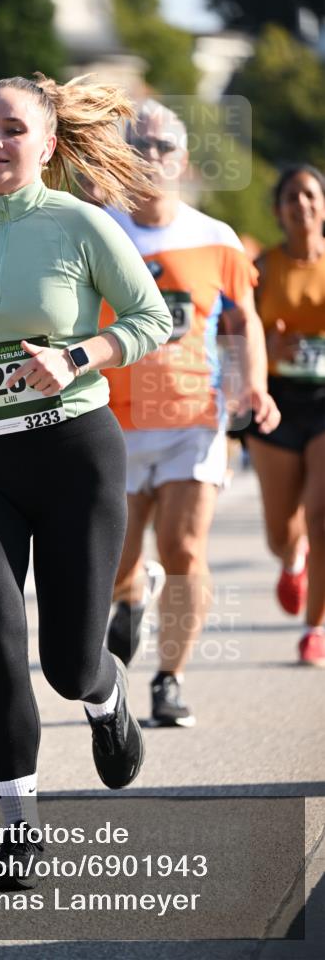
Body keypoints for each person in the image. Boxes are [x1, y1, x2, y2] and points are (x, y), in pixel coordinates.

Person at [0, 73, 173, 886]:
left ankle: (104, 690)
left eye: (11, 129)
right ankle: (19, 831)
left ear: (47, 144)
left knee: (65, 662)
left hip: (75, 456)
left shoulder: (81, 224)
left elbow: (152, 318)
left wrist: (78, 355)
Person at [98, 100, 280, 726]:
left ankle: (169, 680)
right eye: (138, 146)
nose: (150, 157)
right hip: (113, 421)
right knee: (117, 561)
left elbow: (242, 320)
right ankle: (129, 598)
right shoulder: (97, 229)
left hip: (192, 417)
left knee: (183, 548)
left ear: (182, 160)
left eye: (162, 147)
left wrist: (253, 384)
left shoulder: (216, 238)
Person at [245, 164, 325, 666]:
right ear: (278, 210)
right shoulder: (264, 267)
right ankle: (292, 561)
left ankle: (315, 627)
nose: (302, 205)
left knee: (322, 518)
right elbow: (239, 334)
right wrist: (269, 344)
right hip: (276, 403)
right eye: (292, 197)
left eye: (311, 195)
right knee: (282, 531)